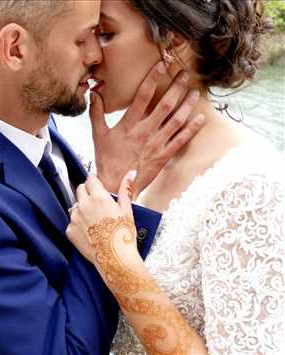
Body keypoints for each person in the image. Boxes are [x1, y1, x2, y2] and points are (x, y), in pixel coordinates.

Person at [0, 1, 204, 354]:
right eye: (83, 39)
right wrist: (110, 189)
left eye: (101, 34)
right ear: (15, 48)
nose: (97, 55)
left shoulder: (36, 121)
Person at [67, 0, 285, 354]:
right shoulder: (117, 165)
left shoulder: (251, 186)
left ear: (173, 38)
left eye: (105, 34)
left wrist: (116, 260)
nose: (90, 54)